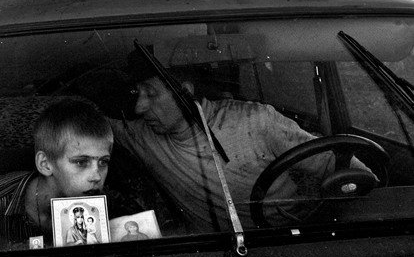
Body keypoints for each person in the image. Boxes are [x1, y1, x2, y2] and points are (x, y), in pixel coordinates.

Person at [90, 52, 375, 233]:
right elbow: (84, 123)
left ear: (185, 94)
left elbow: (346, 171)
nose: (139, 107)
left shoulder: (256, 121)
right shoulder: (142, 135)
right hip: (214, 254)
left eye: (151, 94)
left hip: (292, 241)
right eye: (137, 93)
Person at [0, 98, 113, 251]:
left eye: (103, 162)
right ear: (45, 164)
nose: (97, 176)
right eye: (81, 162)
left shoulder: (107, 203)